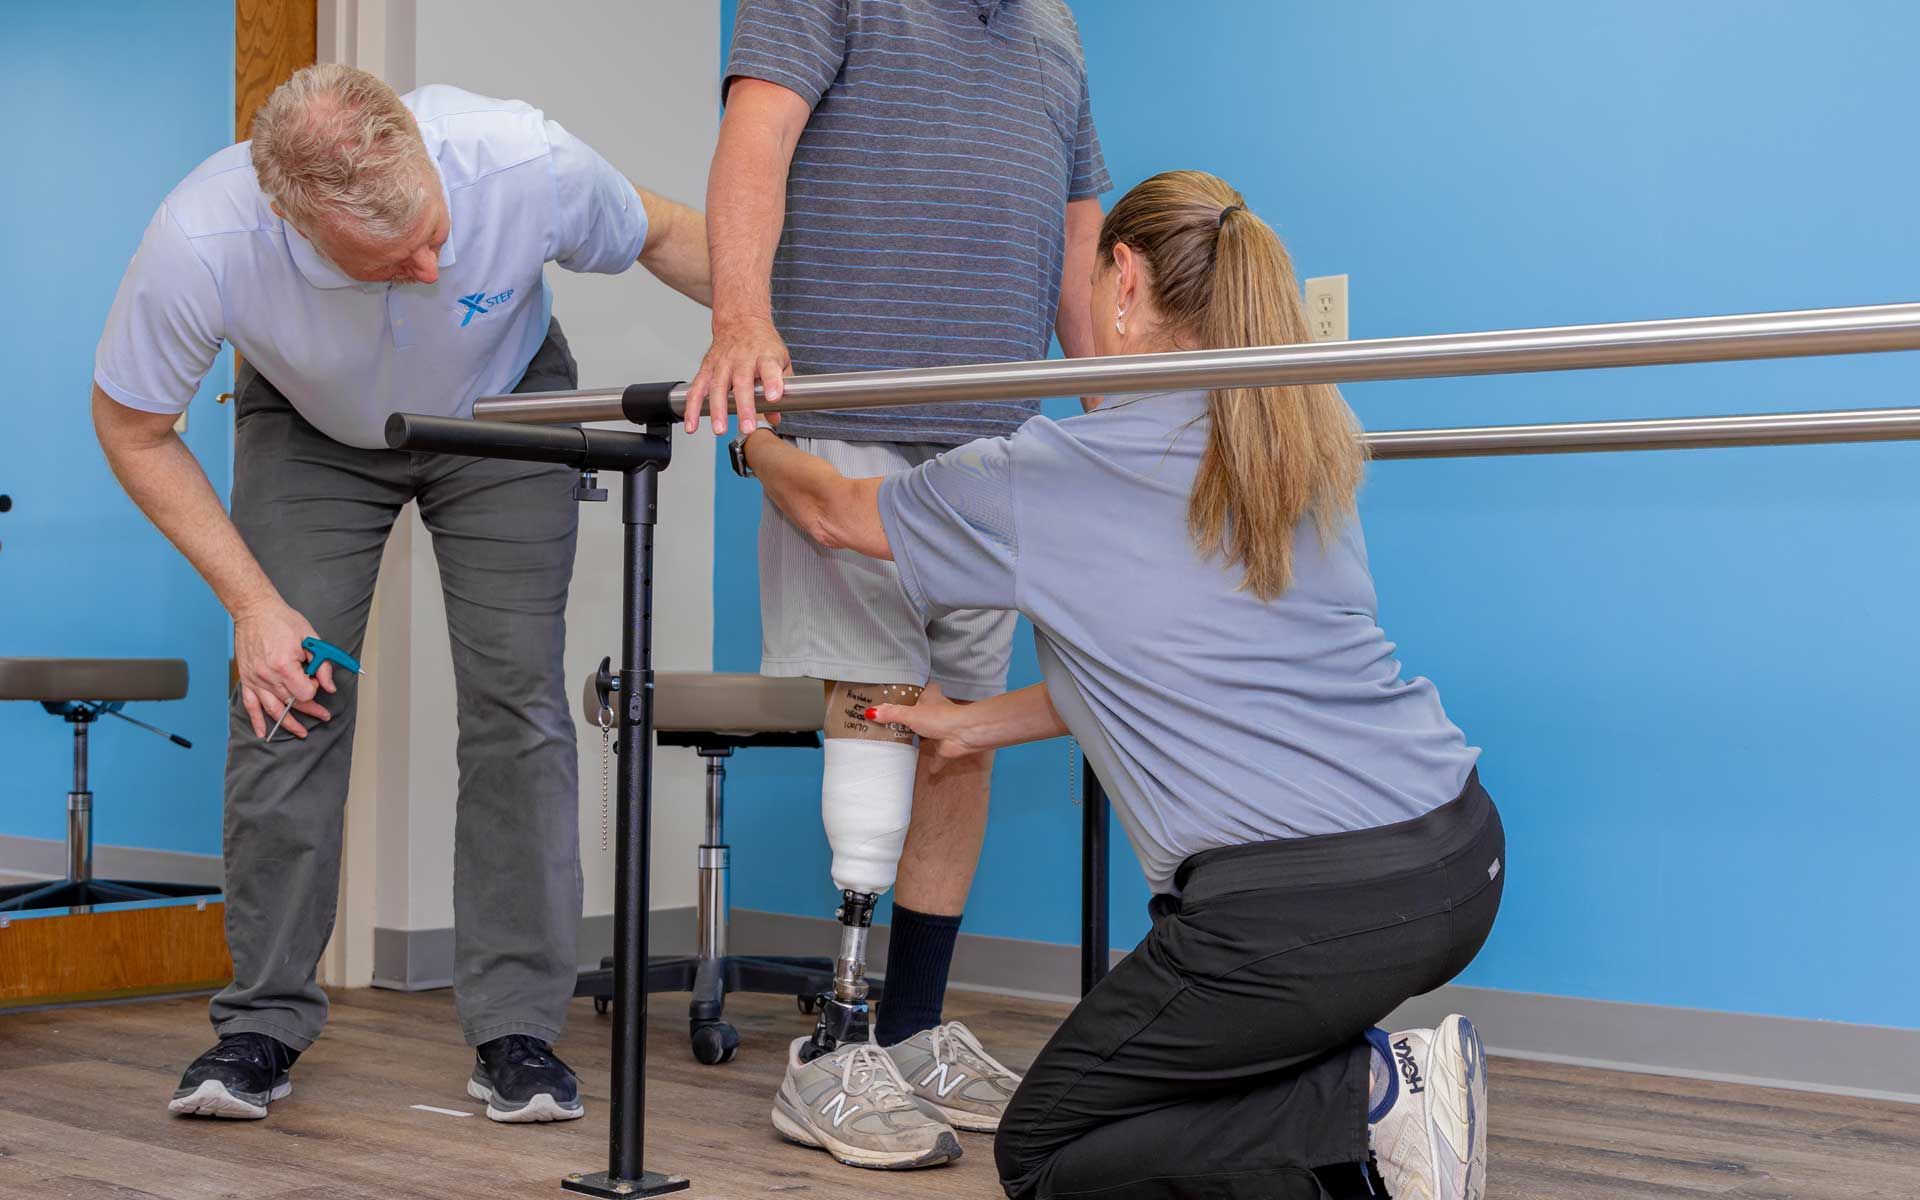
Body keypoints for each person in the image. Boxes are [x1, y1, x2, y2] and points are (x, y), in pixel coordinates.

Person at [735, 170, 1505, 1200]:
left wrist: (754, 435)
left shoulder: (1053, 470)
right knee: (1203, 1106)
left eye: (1092, 286)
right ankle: (1376, 1149)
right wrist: (974, 726)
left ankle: (1373, 1093)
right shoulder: (1291, 442)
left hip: (1297, 909)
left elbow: (834, 511)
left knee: (1046, 1151)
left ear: (1127, 280)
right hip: (1456, 858)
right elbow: (1167, 664)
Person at [91, 64, 709, 1125]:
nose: (431, 265)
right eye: (392, 259)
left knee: (516, 702)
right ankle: (260, 1023)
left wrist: (755, 323)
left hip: (504, 409)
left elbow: (665, 231)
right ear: (293, 220)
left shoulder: (520, 159)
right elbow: (133, 427)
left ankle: (517, 1030)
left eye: (435, 233)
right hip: (312, 427)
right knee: (287, 698)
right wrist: (253, 606)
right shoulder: (205, 237)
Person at [686, 0, 1111, 1166]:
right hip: (848, 415)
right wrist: (741, 322)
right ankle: (834, 1047)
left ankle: (912, 1028)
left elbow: (1076, 235)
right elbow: (757, 137)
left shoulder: (1056, 27)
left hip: (995, 439)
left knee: (960, 734)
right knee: (875, 711)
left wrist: (1113, 412)